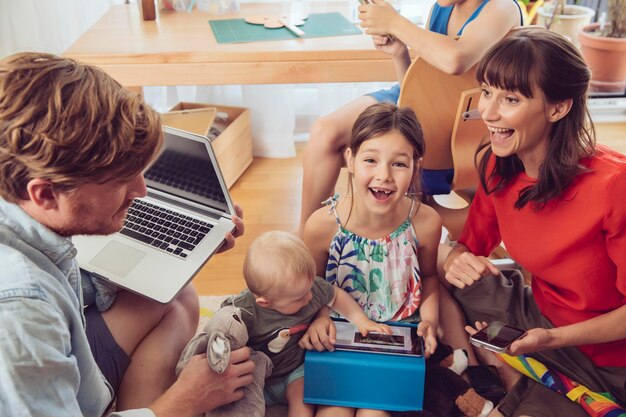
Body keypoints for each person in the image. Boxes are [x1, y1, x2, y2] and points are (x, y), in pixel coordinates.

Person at [0, 52, 254, 417]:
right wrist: (184, 401)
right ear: (44, 194)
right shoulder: (20, 314)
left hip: (70, 374)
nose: (142, 190)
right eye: (121, 180)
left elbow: (67, 282)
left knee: (176, 294)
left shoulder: (22, 203)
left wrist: (170, 249)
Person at [442, 28, 626, 417]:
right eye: (487, 92)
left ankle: (522, 378)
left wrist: (552, 339)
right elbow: (467, 248)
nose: (489, 112)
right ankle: (512, 370)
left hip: (606, 358)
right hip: (535, 319)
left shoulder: (613, 186)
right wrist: (453, 257)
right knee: (448, 280)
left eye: (510, 99)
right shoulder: (498, 164)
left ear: (558, 108)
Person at [302, 103, 494, 417]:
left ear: (416, 167)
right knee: (332, 412)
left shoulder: (427, 222)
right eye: (370, 160)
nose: (384, 175)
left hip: (398, 338)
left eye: (399, 164)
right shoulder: (321, 225)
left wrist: (430, 322)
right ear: (349, 160)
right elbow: (310, 286)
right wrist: (320, 318)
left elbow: (430, 279)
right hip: (341, 336)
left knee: (374, 413)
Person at [298, 0, 523, 236]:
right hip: (416, 103)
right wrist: (399, 53)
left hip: (460, 127)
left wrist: (394, 22)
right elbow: (418, 85)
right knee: (325, 131)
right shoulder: (442, 8)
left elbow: (456, 59)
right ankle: (307, 240)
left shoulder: (501, 8)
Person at [225, 231, 391, 417]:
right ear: (266, 302)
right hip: (254, 379)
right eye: (299, 299)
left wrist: (362, 321)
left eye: (310, 288)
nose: (310, 297)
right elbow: (224, 331)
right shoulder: (243, 310)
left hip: (294, 372)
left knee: (303, 402)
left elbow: (335, 295)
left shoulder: (309, 289)